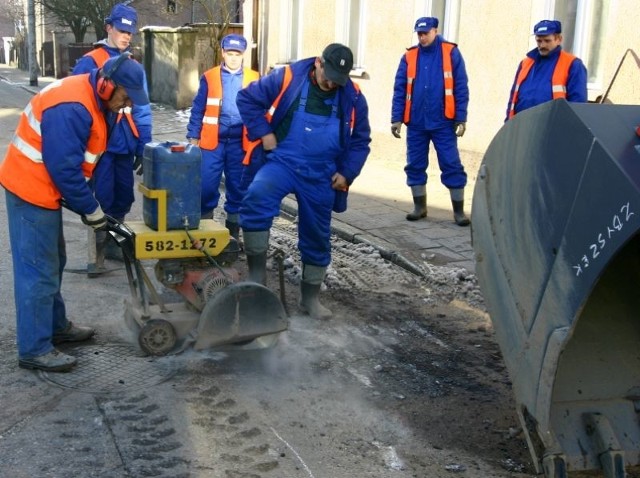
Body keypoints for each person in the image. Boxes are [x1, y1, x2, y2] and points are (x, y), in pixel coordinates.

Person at [0, 55, 149, 372]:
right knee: (38, 269)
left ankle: (55, 328)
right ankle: (35, 348)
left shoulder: (98, 102)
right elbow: (64, 170)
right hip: (31, 189)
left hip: (46, 188)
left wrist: (89, 203)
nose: (126, 105)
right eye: (125, 97)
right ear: (107, 84)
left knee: (54, 260)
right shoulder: (72, 106)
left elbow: (83, 162)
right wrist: (91, 210)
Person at [237, 43, 371, 320]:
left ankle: (309, 299)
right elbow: (247, 99)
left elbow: (360, 141)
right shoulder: (288, 77)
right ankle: (256, 275)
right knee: (257, 198)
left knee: (317, 234)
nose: (332, 83)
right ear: (319, 63)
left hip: (322, 173)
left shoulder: (353, 97)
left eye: (338, 79)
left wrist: (347, 172)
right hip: (283, 162)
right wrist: (263, 133)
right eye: (328, 75)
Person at [72, 2, 152, 276]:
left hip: (125, 143)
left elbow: (142, 108)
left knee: (123, 197)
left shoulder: (132, 65)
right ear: (108, 28)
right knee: (102, 198)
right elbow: (78, 104)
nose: (126, 36)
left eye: (130, 32)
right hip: (100, 146)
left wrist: (144, 145)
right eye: (121, 30)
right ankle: (97, 254)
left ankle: (115, 245)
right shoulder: (91, 61)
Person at [391, 17, 470, 227]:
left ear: (436, 30)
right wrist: (396, 118)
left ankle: (459, 212)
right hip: (416, 121)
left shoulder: (451, 53)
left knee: (451, 163)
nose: (422, 37)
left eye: (425, 33)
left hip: (443, 121)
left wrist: (461, 117)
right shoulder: (409, 56)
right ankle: (419, 207)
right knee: (415, 164)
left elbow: (461, 86)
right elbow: (400, 88)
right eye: (419, 34)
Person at [186, 33, 259, 240]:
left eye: (237, 54)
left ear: (243, 55)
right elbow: (198, 108)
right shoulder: (209, 77)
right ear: (223, 53)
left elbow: (261, 111)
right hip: (212, 143)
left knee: (238, 188)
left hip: (240, 144)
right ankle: (204, 234)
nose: (233, 58)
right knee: (207, 186)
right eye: (230, 53)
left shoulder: (254, 78)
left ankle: (232, 237)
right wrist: (193, 135)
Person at [505, 20, 588, 121]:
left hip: (553, 128)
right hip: (522, 126)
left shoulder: (573, 64)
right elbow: (513, 98)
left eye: (547, 41)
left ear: (559, 39)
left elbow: (578, 105)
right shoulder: (525, 64)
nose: (542, 45)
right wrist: (508, 125)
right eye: (539, 41)